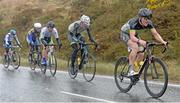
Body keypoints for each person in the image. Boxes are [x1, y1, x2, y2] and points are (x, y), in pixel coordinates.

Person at [120, 8, 167, 76]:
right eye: (145, 18)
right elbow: (132, 37)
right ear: (140, 18)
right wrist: (141, 41)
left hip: (134, 34)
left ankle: (135, 71)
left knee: (141, 53)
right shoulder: (134, 23)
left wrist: (163, 41)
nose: (147, 21)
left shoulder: (149, 23)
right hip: (125, 34)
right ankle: (130, 70)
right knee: (135, 47)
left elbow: (155, 34)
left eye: (149, 18)